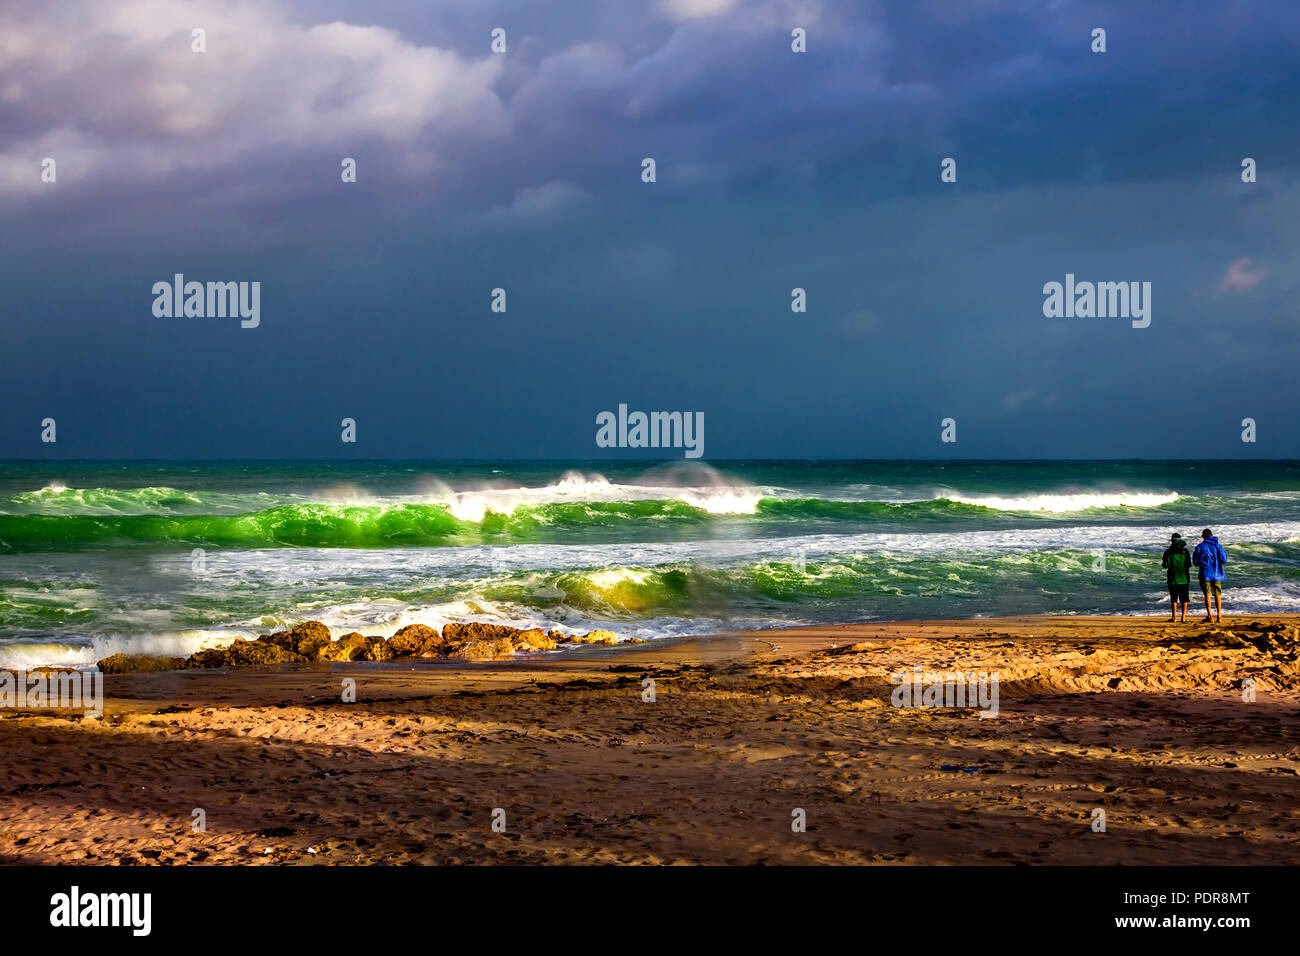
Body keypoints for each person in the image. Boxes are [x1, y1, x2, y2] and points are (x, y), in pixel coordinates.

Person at [1192, 528, 1227, 623]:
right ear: (1211, 535)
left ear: (1203, 537)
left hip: (1205, 573)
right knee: (1218, 594)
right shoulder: (1218, 546)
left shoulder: (1199, 547)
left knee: (1207, 594)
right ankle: (1219, 615)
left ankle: (1210, 616)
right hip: (1217, 574)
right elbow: (1224, 559)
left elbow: (1195, 562)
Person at [1161, 533, 1191, 622]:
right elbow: (1188, 564)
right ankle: (1183, 618)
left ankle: (1174, 617)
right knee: (1184, 598)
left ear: (1171, 541)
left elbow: (1165, 565)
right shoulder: (1186, 552)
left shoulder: (1168, 552)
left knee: (1174, 598)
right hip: (1184, 578)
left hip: (1172, 578)